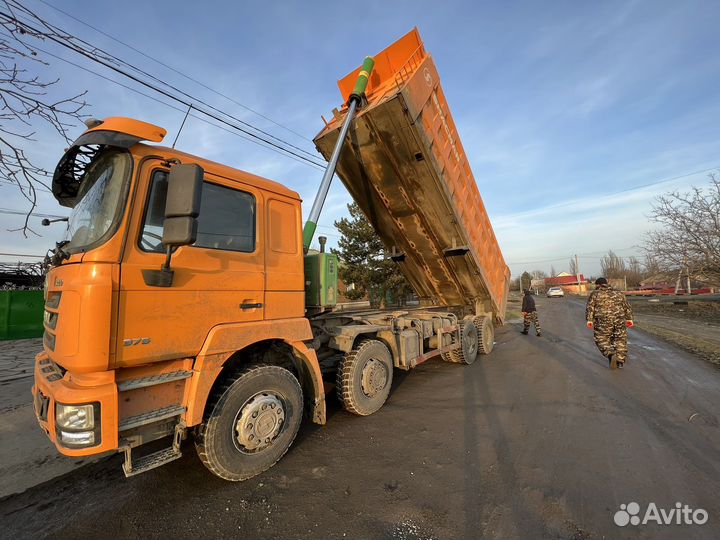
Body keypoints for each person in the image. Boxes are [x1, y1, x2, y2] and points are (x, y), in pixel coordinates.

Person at [585, 277, 634, 369]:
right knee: (620, 339)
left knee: (601, 339)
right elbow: (626, 306)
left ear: (597, 285)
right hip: (619, 320)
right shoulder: (619, 293)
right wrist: (629, 319)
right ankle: (620, 361)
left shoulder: (595, 294)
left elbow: (590, 307)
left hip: (602, 321)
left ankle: (610, 354)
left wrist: (589, 320)